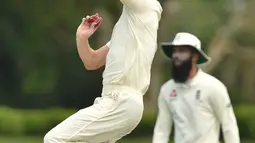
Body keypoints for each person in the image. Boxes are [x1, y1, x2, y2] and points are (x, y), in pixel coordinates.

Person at [44, 0, 162, 143]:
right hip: (116, 102)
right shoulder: (132, 27)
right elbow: (92, 62)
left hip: (121, 100)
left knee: (54, 139)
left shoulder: (145, 5)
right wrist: (82, 38)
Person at [152, 32, 240, 143]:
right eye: (174, 51)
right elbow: (162, 130)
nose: (176, 56)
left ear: (195, 56)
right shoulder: (167, 90)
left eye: (182, 51)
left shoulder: (213, 87)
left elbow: (229, 126)